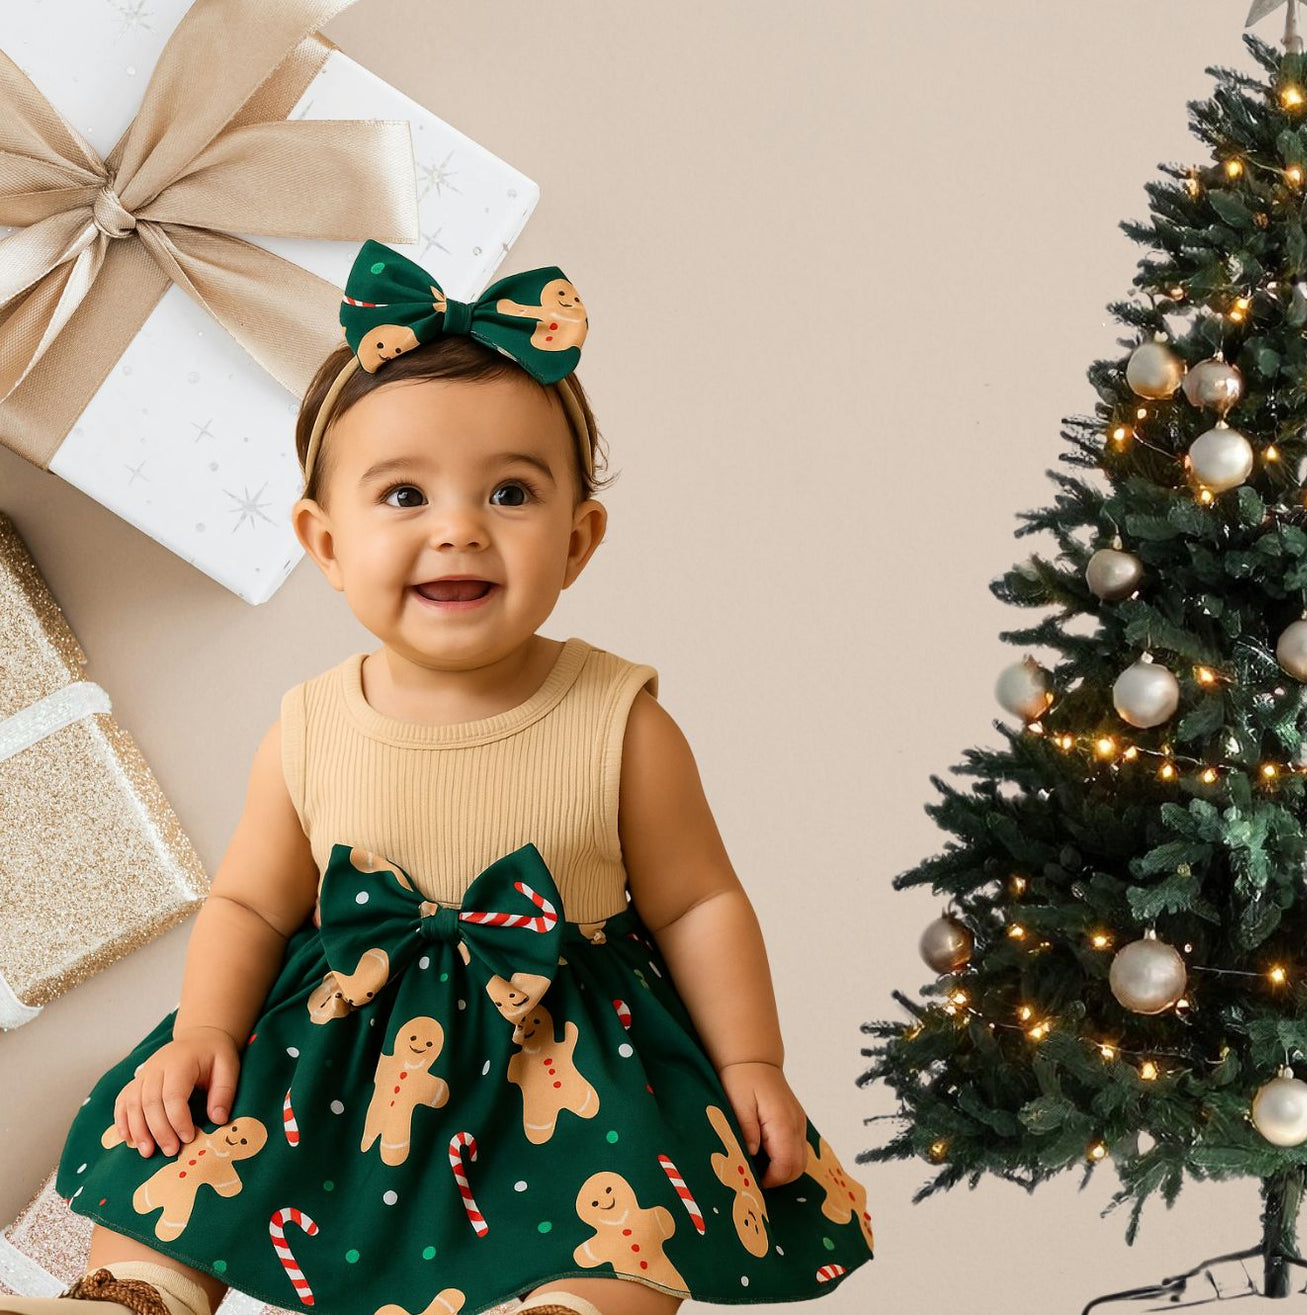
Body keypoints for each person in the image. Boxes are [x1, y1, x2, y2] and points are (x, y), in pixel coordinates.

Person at [12, 242, 874, 1315]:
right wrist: (203, 1035)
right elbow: (246, 898)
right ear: (326, 543)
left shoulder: (623, 725)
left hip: (563, 1074)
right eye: (404, 493)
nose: (457, 526)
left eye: (509, 491)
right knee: (178, 1150)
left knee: (622, 1234)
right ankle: (136, 1295)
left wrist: (752, 1059)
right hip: (334, 1068)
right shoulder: (311, 726)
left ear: (578, 539)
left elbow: (699, 900)